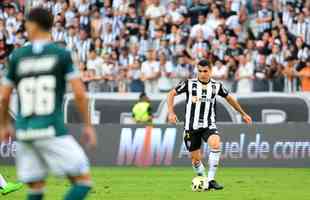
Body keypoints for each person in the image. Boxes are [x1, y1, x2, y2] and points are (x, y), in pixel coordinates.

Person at [0, 8, 97, 200]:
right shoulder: (60, 54)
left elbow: (3, 98)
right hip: (52, 130)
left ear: (34, 25)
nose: (25, 27)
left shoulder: (17, 57)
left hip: (25, 133)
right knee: (83, 181)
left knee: (35, 188)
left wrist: (4, 125)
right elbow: (79, 93)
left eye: (27, 23)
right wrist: (87, 125)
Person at [167, 59, 252, 190]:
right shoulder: (189, 84)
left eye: (205, 71)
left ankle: (211, 180)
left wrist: (243, 113)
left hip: (208, 124)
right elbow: (171, 94)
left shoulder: (216, 86)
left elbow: (229, 98)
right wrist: (171, 113)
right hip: (191, 127)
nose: (202, 74)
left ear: (210, 71)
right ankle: (204, 180)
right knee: (196, 160)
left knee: (216, 144)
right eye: (199, 71)